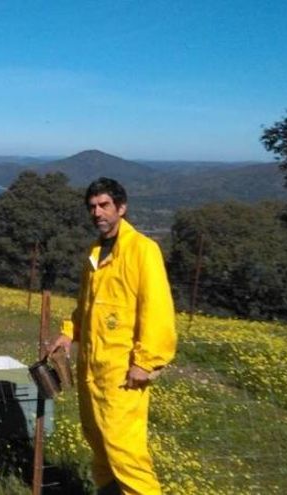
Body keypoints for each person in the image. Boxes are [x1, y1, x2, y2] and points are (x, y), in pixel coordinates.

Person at [49, 177, 176, 495]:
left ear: (121, 208)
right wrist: (69, 334)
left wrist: (146, 362)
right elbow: (86, 305)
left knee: (126, 453)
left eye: (104, 205)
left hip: (123, 374)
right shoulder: (95, 252)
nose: (97, 213)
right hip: (91, 370)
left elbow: (157, 308)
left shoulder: (143, 250)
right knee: (99, 444)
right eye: (92, 207)